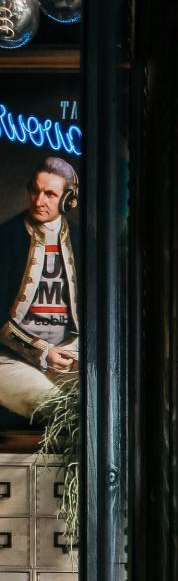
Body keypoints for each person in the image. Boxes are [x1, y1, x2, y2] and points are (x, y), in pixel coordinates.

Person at [0, 155, 80, 422]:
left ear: (69, 199)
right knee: (61, 411)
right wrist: (42, 351)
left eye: (49, 194)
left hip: (72, 355)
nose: (38, 200)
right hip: (12, 360)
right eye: (35, 190)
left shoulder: (83, 242)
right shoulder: (6, 238)